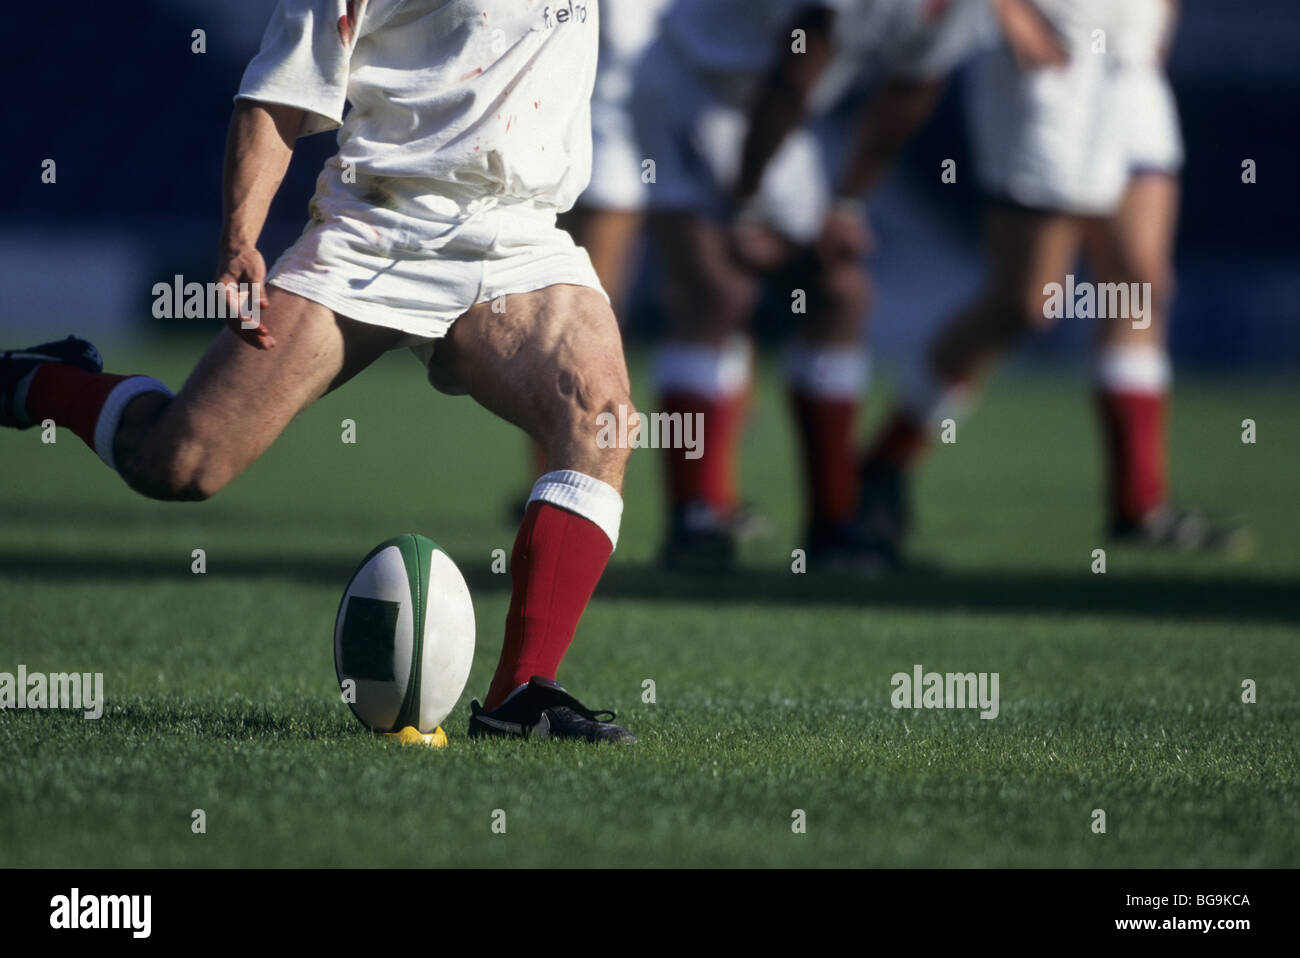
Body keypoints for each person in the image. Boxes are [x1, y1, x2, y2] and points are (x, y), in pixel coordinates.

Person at [0, 0, 637, 744]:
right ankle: (41, 382)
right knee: (179, 461)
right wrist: (240, 239)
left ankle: (523, 692)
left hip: (521, 235)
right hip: (374, 231)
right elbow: (279, 93)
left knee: (601, 419)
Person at [858, 0, 1245, 560]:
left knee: (1139, 286)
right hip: (1052, 58)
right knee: (1026, 303)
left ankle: (1138, 504)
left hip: (1129, 59)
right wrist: (1010, 15)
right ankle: (885, 459)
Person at [633, 0, 990, 571]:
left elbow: (913, 86)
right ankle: (694, 522)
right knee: (717, 293)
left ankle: (834, 526)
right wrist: (745, 209)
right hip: (693, 84)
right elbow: (795, 70)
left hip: (774, 118)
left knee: (839, 293)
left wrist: (847, 204)